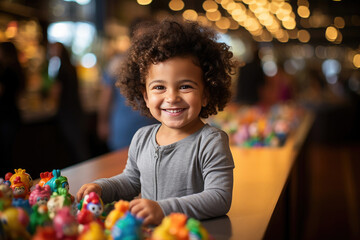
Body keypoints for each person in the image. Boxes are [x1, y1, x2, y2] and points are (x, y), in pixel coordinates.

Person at [77, 19, 235, 226]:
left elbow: (219, 198)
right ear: (145, 96)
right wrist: (101, 188)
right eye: (159, 87)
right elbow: (131, 181)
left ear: (206, 94)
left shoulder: (211, 141)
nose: (172, 97)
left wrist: (164, 209)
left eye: (185, 86)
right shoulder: (142, 138)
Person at [97, 19, 158, 151]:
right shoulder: (117, 63)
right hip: (124, 132)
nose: (145, 44)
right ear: (132, 39)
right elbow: (106, 97)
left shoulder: (160, 63)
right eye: (141, 39)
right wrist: (103, 122)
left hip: (155, 131)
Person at [48, 42, 90, 164]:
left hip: (67, 112)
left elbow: (56, 91)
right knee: (79, 144)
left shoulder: (61, 69)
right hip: (76, 109)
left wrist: (51, 104)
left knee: (75, 146)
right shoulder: (72, 67)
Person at [0, 41, 25, 176]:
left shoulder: (7, 71)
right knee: (10, 153)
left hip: (6, 116)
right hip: (13, 115)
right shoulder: (17, 68)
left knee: (5, 155)